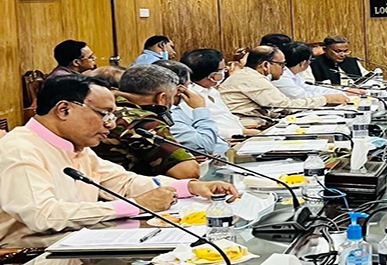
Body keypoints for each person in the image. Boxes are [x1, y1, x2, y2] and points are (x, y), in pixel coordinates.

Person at [0, 75, 236, 246]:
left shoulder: (75, 146)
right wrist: (136, 205)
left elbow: (124, 183)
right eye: (104, 114)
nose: (111, 123)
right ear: (64, 110)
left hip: (79, 242)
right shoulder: (20, 149)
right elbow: (43, 215)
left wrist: (190, 187)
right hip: (29, 256)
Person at [93, 65, 199, 179]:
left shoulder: (99, 106)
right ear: (162, 98)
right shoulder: (143, 121)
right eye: (172, 97)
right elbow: (187, 172)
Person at [220, 46, 348, 126]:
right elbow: (286, 105)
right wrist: (326, 99)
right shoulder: (251, 78)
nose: (284, 69)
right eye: (281, 65)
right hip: (247, 128)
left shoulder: (251, 75)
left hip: (257, 123)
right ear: (265, 65)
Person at [153, 60, 229, 157]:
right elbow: (205, 146)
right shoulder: (165, 115)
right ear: (179, 89)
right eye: (189, 85)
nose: (191, 89)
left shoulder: (175, 109)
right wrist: (200, 108)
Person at [180, 48, 252, 139]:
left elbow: (225, 117)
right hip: (225, 139)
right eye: (222, 70)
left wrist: (245, 129)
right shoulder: (189, 96)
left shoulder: (211, 90)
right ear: (212, 76)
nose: (226, 71)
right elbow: (210, 129)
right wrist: (243, 132)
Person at [273, 42, 363, 99]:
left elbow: (308, 88)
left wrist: (344, 92)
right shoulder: (281, 76)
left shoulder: (292, 73)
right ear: (303, 63)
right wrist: (333, 97)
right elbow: (301, 96)